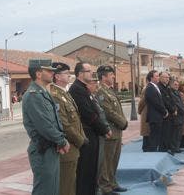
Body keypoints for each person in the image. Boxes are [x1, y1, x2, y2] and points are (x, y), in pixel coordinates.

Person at [22, 59, 70, 195]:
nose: (52, 73)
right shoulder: (34, 95)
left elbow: (54, 121)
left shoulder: (43, 92)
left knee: (52, 189)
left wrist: (59, 141)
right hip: (43, 151)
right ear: (38, 74)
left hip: (51, 149)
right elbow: (45, 125)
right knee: (44, 190)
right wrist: (61, 140)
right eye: (48, 71)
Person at [69, 62, 112, 195]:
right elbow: (89, 114)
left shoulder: (83, 88)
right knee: (85, 171)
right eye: (89, 71)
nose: (92, 73)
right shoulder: (77, 89)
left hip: (92, 134)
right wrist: (104, 129)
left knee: (91, 170)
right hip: (87, 134)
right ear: (80, 73)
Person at [50, 62, 87, 195]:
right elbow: (64, 124)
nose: (69, 75)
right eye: (66, 73)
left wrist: (81, 138)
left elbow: (76, 119)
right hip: (68, 148)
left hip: (73, 147)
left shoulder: (64, 94)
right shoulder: (55, 95)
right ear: (57, 77)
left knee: (71, 183)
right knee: (65, 186)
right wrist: (80, 139)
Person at [96, 65, 128, 195]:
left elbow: (116, 110)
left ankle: (113, 183)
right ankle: (105, 187)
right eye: (111, 75)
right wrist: (123, 123)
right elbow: (108, 112)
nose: (113, 76)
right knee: (107, 161)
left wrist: (122, 123)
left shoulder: (110, 90)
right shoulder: (101, 92)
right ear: (103, 77)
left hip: (116, 132)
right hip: (110, 132)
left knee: (114, 160)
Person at [145, 70, 168, 152]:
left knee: (156, 136)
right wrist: (164, 111)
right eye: (157, 76)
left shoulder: (155, 87)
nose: (158, 77)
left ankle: (155, 151)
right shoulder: (150, 88)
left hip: (158, 116)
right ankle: (152, 153)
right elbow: (156, 103)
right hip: (154, 116)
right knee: (154, 137)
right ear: (151, 78)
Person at [157, 72, 177, 153]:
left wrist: (175, 108)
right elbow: (165, 101)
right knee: (165, 134)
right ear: (160, 78)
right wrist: (172, 109)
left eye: (168, 78)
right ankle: (164, 150)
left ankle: (169, 148)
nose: (167, 79)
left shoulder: (167, 87)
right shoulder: (160, 88)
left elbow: (172, 99)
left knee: (169, 133)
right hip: (165, 114)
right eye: (165, 77)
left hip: (171, 113)